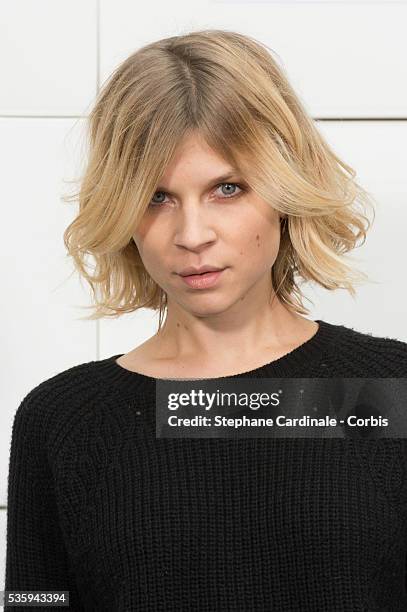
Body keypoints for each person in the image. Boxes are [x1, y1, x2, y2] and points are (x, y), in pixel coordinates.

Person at [5, 29, 407, 611]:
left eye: (226, 188)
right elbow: (31, 604)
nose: (192, 236)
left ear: (285, 189)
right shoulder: (62, 419)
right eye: (156, 197)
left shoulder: (390, 394)